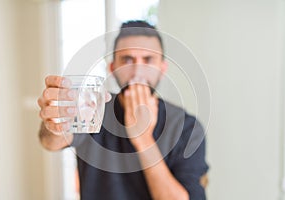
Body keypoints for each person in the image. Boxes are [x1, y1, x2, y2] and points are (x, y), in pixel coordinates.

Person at [37, 20, 209, 200]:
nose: (137, 71)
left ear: (162, 68)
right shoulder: (93, 108)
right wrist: (55, 121)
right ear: (113, 67)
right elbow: (50, 142)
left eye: (148, 60)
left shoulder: (187, 127)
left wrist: (143, 139)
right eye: (127, 60)